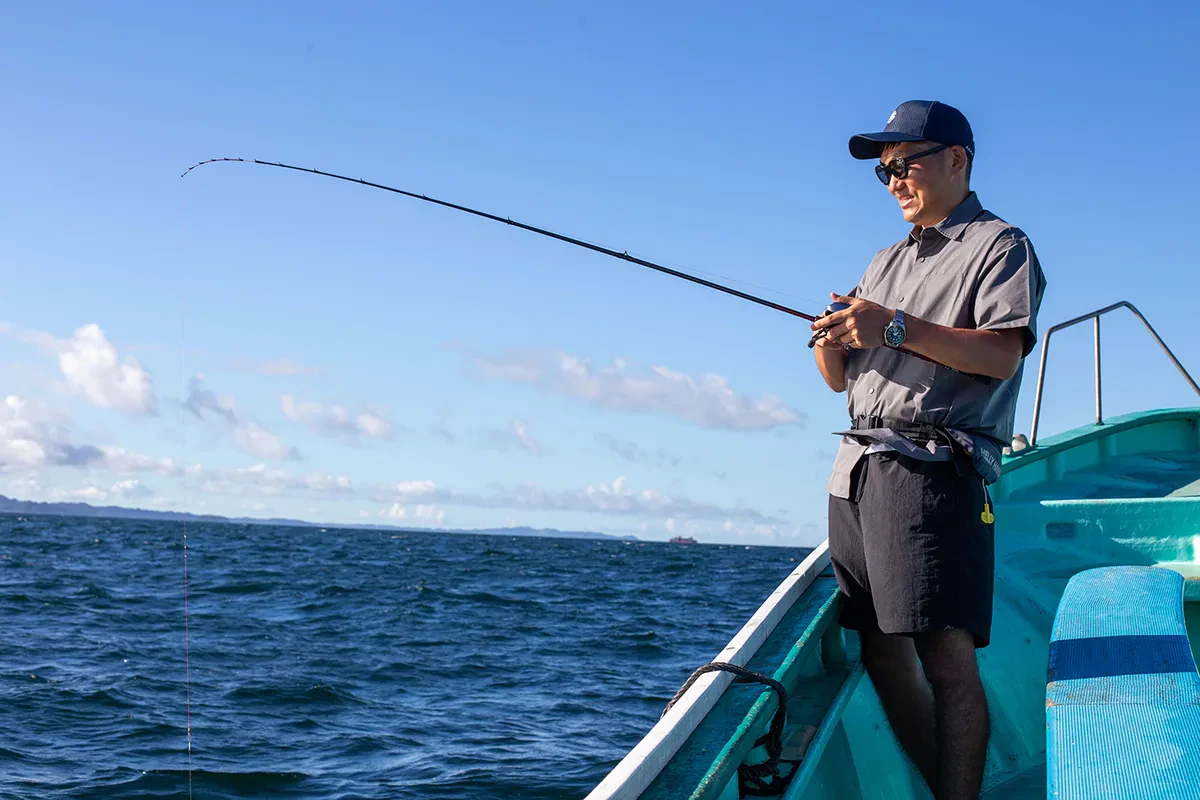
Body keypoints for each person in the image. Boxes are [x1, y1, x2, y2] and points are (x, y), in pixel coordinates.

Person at [810, 99, 1046, 799]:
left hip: (931, 469)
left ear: (957, 159)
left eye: (905, 163)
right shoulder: (883, 262)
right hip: (856, 472)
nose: (894, 181)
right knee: (881, 652)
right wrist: (833, 339)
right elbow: (838, 381)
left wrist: (890, 327)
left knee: (946, 664)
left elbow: (1002, 356)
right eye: (884, 173)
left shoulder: (1001, 246)